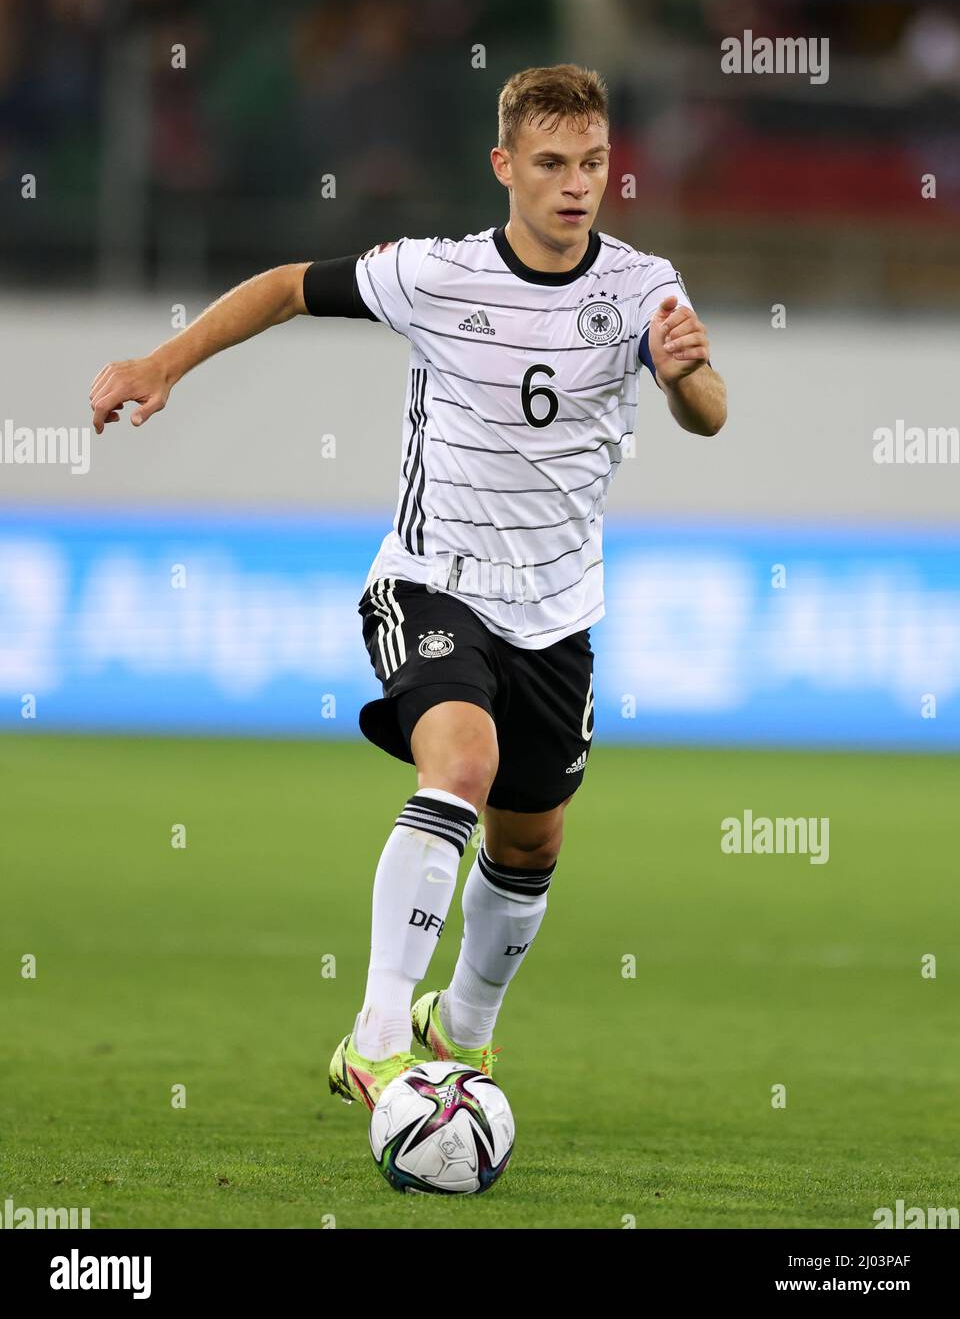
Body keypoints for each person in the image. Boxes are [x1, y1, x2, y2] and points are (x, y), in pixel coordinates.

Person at [90, 63, 726, 1111]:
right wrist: (167, 361)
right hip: (433, 582)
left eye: (595, 162)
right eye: (554, 163)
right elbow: (290, 284)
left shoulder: (643, 287)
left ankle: (460, 1030)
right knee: (462, 760)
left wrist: (693, 371)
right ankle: (380, 1031)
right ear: (505, 167)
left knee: (533, 839)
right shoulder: (434, 274)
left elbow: (706, 413)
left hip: (558, 614)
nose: (578, 185)